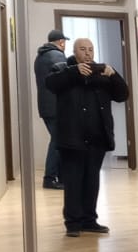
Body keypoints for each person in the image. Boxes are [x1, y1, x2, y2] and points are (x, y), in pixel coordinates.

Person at [45, 37, 128, 237]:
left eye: (91, 49)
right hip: (72, 139)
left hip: (97, 139)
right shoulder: (63, 69)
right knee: (73, 182)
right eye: (83, 49)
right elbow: (51, 84)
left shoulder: (102, 72)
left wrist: (114, 74)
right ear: (75, 52)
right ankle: (73, 223)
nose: (88, 53)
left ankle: (89, 220)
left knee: (92, 181)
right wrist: (74, 72)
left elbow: (122, 95)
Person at [34, 29, 69, 189]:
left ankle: (60, 177)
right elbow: (66, 79)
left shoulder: (40, 56)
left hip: (45, 106)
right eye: (64, 42)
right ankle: (50, 178)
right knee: (58, 141)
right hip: (56, 106)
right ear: (61, 42)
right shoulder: (57, 56)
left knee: (57, 140)